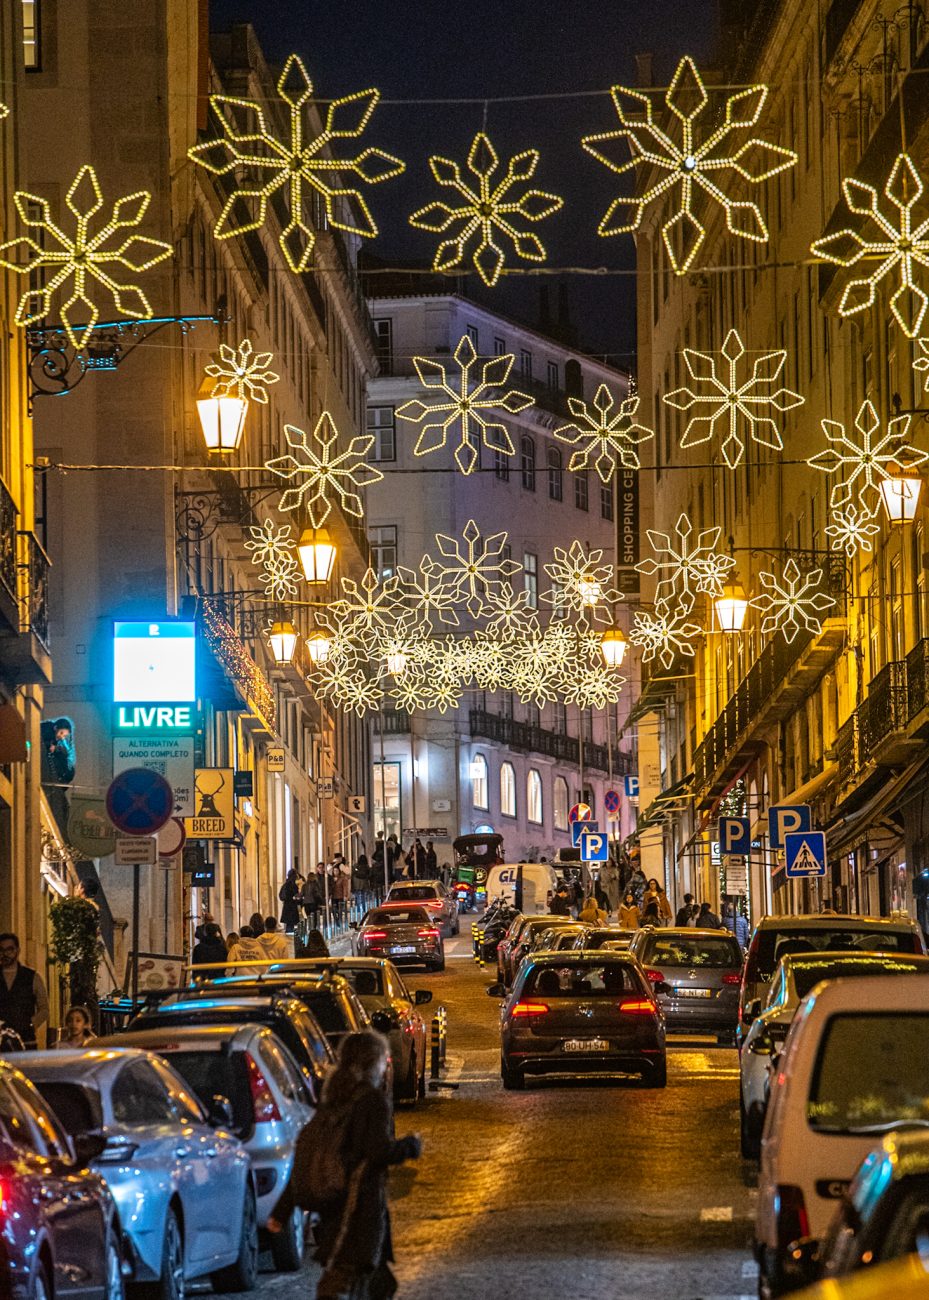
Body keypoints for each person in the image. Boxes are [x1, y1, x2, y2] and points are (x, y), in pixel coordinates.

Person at [268, 1031, 421, 1299]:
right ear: (372, 1063)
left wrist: (281, 1211)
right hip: (359, 1207)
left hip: (333, 1205)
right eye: (382, 1059)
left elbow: (310, 1153)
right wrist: (410, 1146)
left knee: (375, 1281)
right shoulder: (372, 1101)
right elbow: (377, 1151)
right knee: (347, 1276)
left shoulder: (333, 1100)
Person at [0, 932, 49, 1049]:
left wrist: (31, 1024)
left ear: (17, 951)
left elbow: (44, 1009)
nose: (5, 954)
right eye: (1, 950)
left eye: (9, 950)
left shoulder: (32, 977)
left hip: (26, 1042)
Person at [279, 868, 301, 934]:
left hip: (287, 906)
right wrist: (296, 898)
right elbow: (293, 895)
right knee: (290, 925)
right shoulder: (292, 885)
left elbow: (281, 895)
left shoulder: (285, 884)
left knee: (289, 925)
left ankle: (288, 936)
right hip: (291, 906)